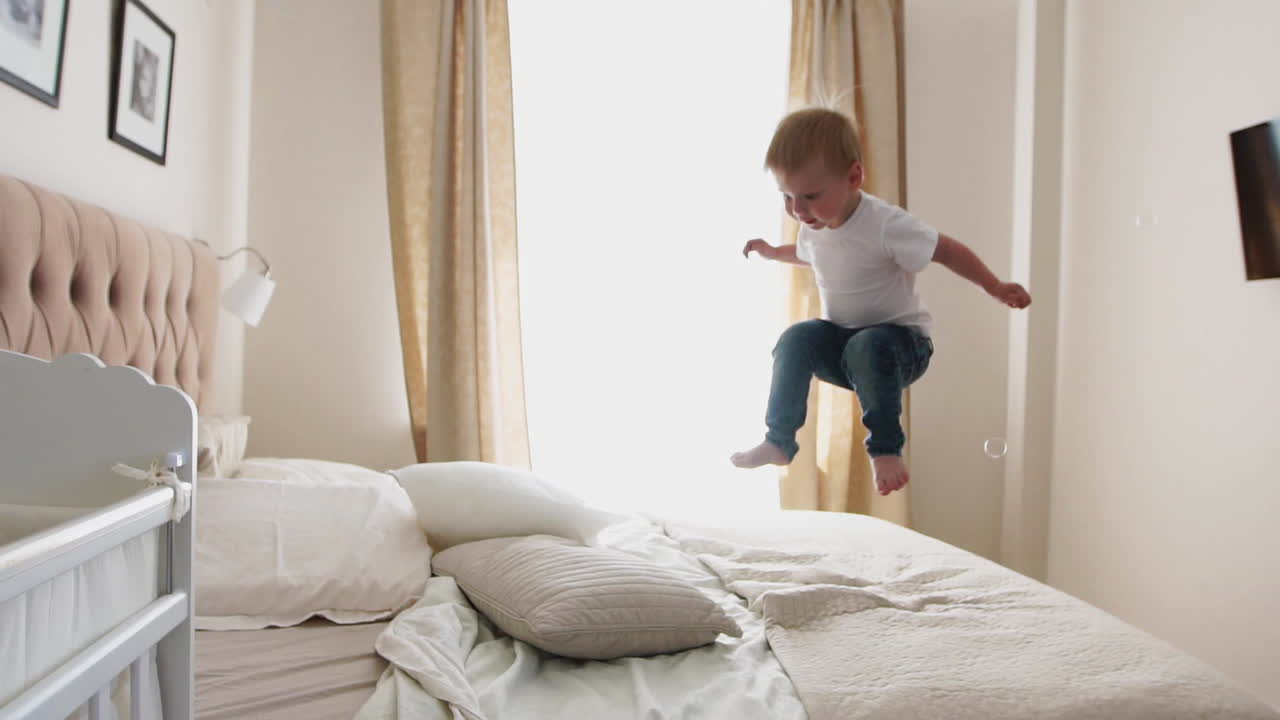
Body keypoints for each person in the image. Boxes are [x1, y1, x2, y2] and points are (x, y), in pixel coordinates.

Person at [731, 107, 1031, 496]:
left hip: (899, 348)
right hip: (844, 348)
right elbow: (806, 253)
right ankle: (779, 441)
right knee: (796, 339)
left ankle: (886, 450)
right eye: (787, 197)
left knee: (868, 344)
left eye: (809, 196)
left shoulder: (885, 224)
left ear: (854, 177)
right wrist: (774, 252)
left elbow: (947, 250)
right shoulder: (814, 226)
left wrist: (994, 286)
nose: (798, 210)